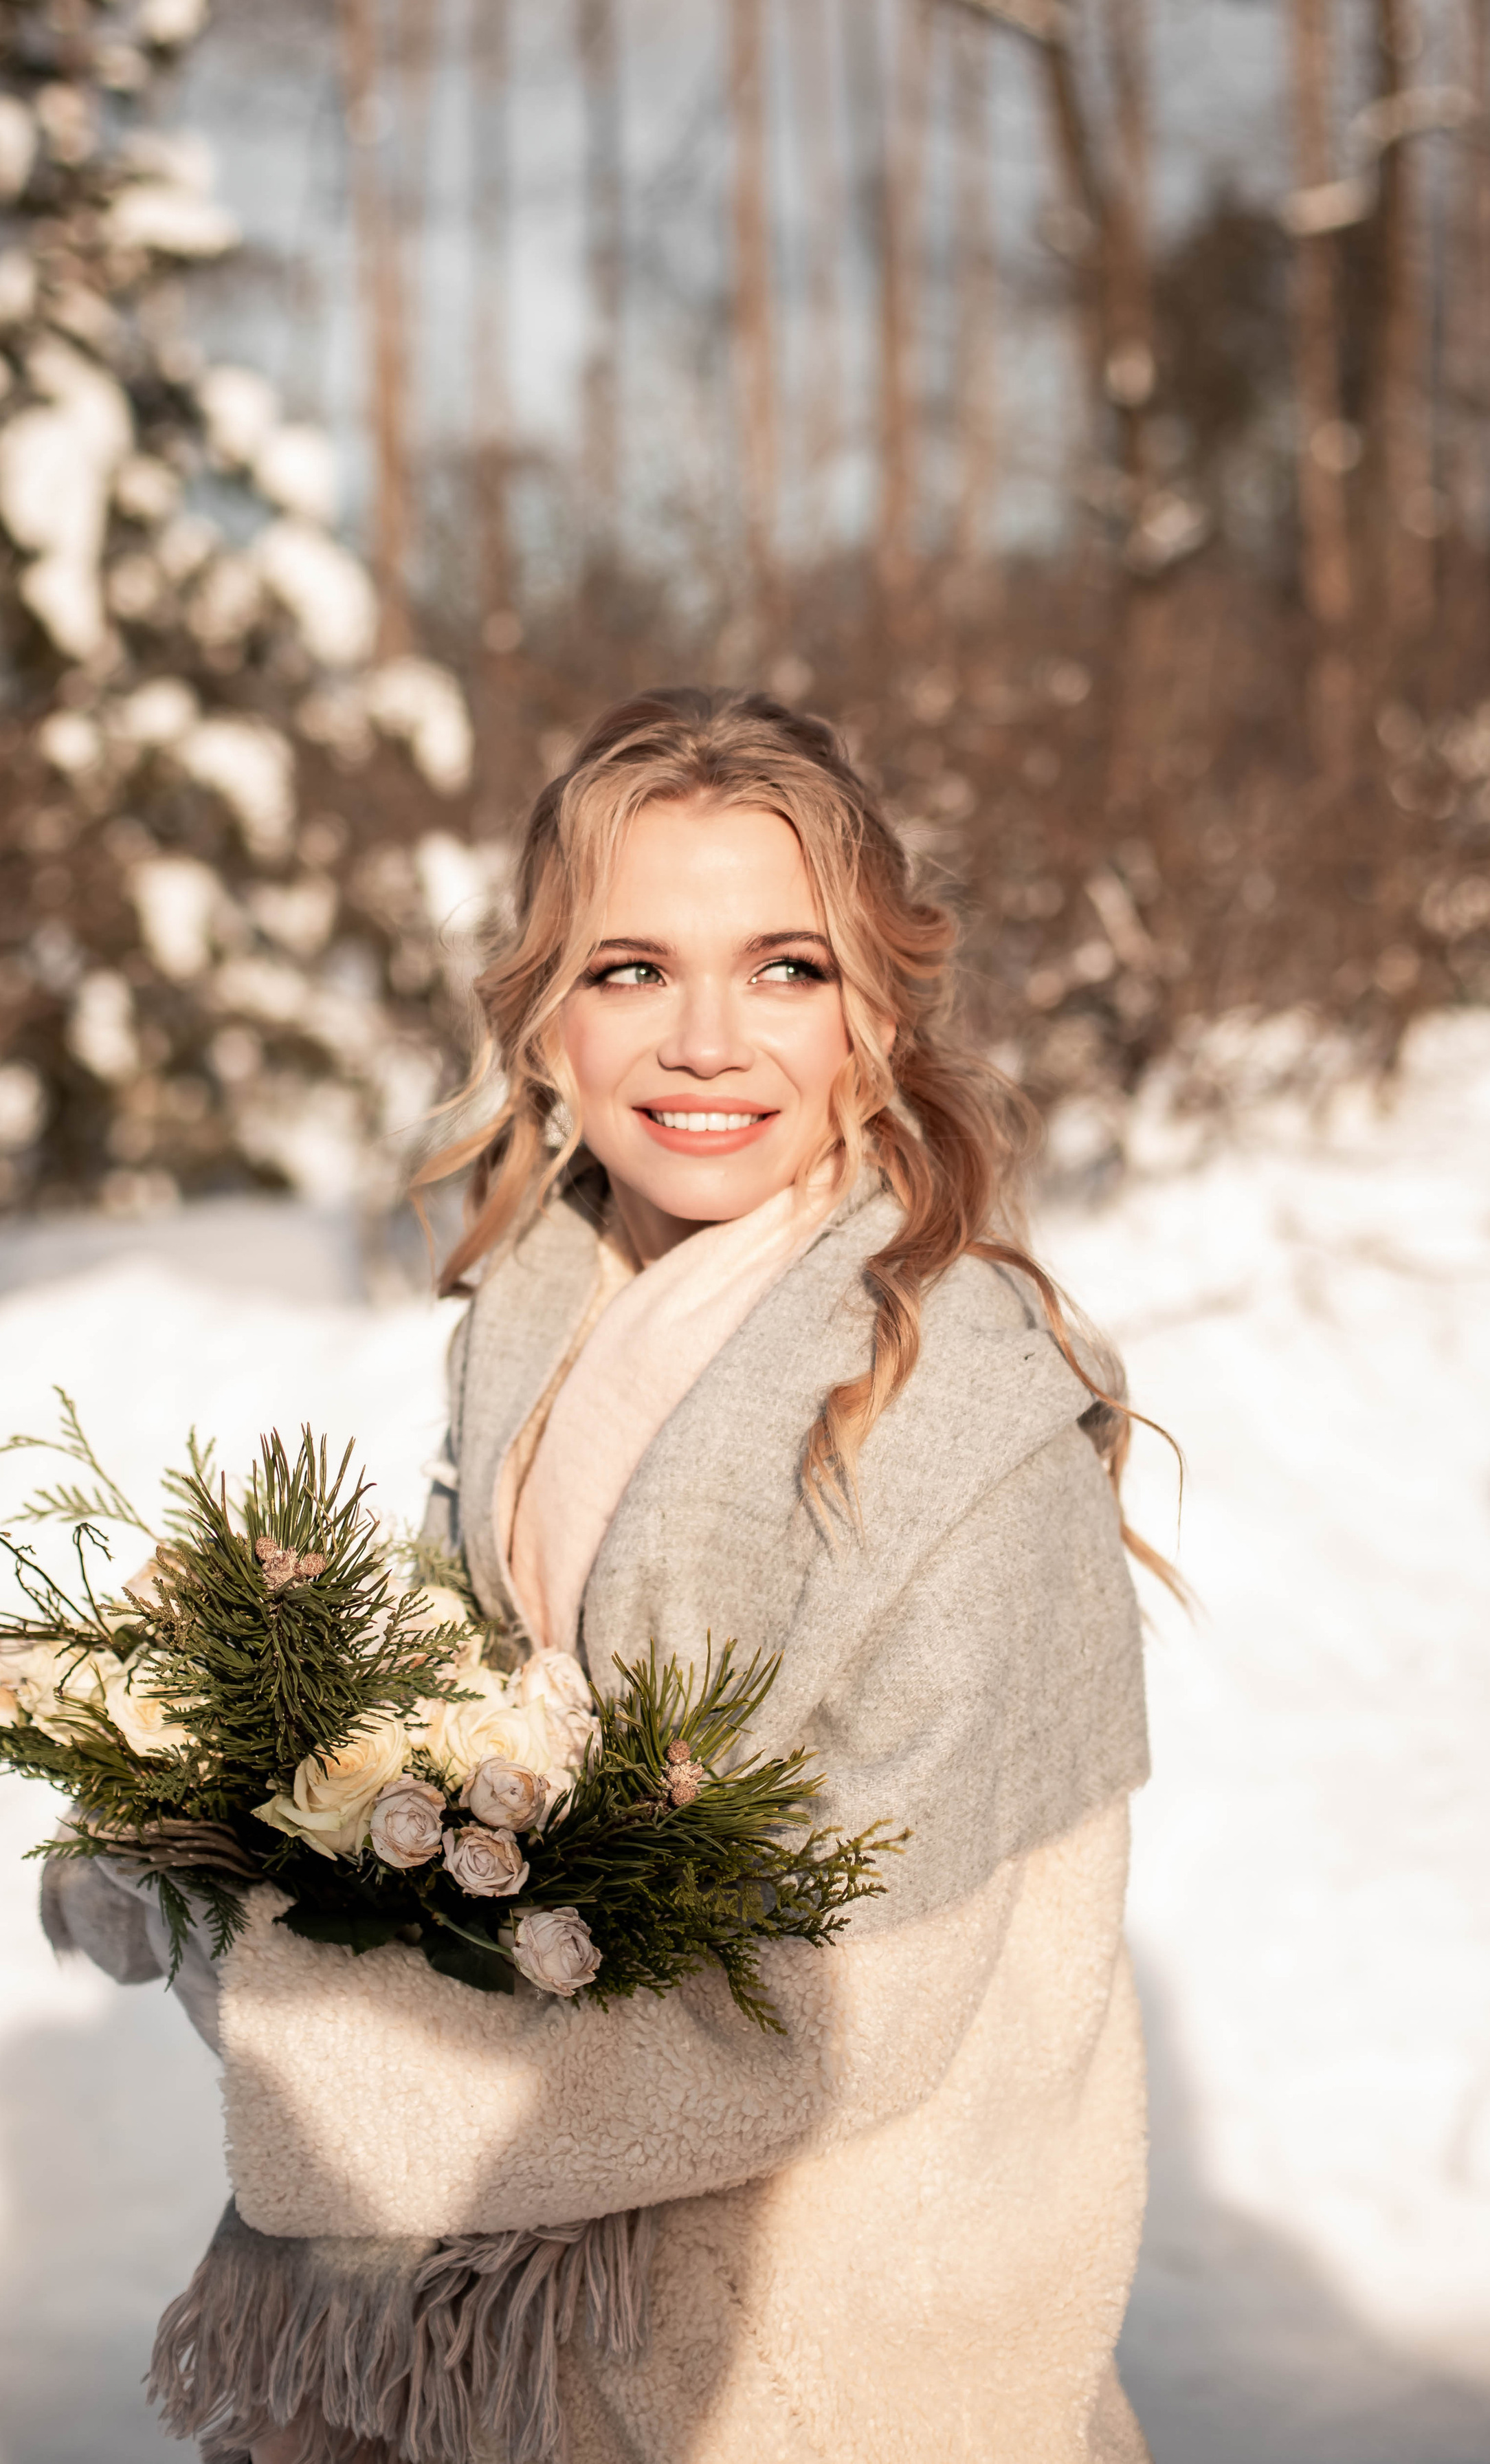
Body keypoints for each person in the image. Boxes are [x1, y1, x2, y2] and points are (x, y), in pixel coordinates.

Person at [131, 687, 1165, 2464]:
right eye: (629, 971)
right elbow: (493, 1760)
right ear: (545, 1019)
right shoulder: (541, 1314)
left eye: (786, 971)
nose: (706, 1043)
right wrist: (221, 1840)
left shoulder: (947, 1414)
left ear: (877, 1012)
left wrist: (326, 2046)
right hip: (532, 2293)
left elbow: (850, 2007)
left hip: (816, 2340)